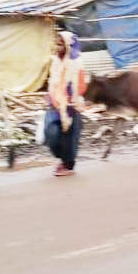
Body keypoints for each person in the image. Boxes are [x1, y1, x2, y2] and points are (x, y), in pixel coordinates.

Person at [45, 31, 88, 176]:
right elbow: (53, 81)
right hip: (54, 102)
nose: (58, 47)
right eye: (57, 44)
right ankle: (61, 158)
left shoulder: (76, 62)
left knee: (69, 136)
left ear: (69, 45)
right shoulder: (55, 60)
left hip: (70, 104)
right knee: (50, 132)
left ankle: (67, 165)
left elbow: (81, 85)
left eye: (61, 44)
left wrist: (70, 100)